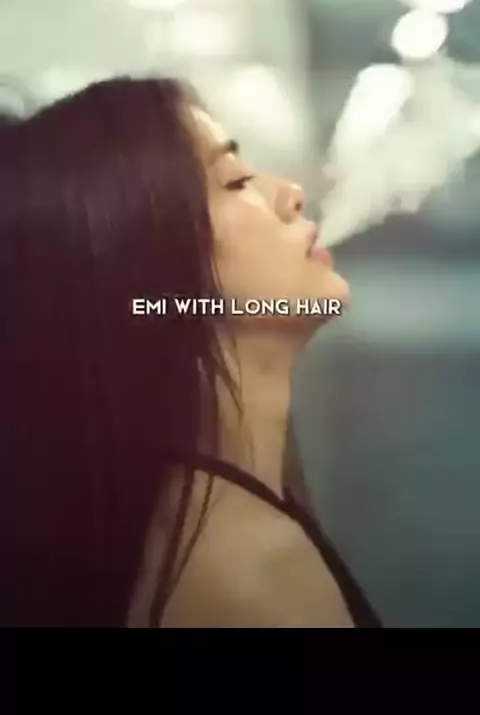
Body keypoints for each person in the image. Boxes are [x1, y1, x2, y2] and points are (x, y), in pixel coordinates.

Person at [1, 77, 381, 628]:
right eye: (236, 180)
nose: (291, 194)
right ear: (149, 267)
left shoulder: (195, 528)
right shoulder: (252, 589)